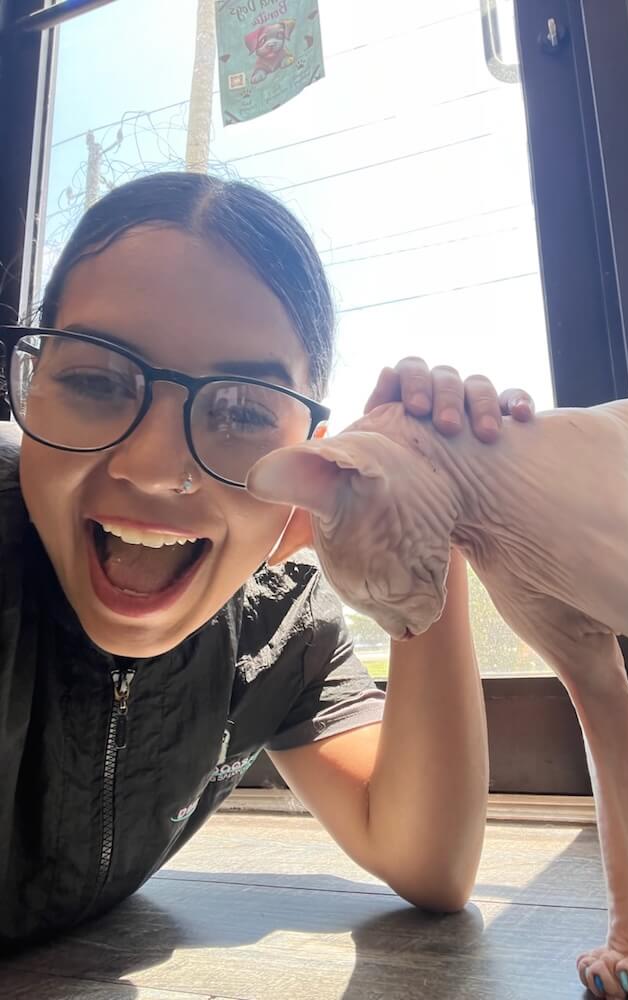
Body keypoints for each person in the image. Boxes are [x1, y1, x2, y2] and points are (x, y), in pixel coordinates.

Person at [0, 171, 535, 950]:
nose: (153, 467)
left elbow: (425, 858)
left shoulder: (286, 626)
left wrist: (425, 503)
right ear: (28, 383)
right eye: (92, 380)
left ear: (308, 466)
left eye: (243, 410)